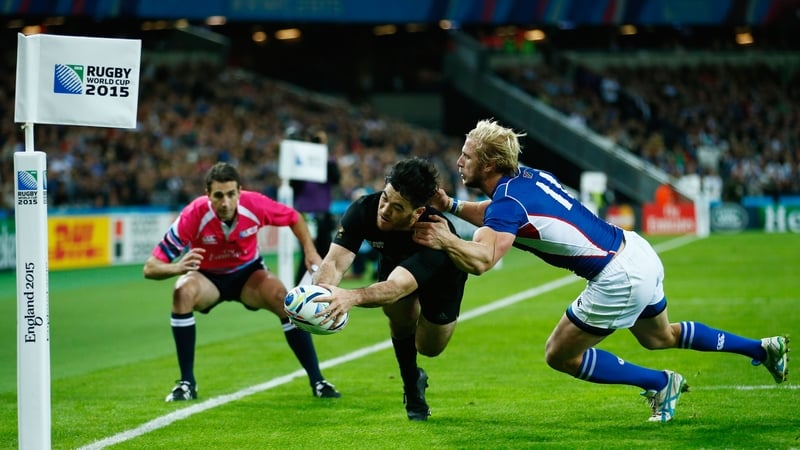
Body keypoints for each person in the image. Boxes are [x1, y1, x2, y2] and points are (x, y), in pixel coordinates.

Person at [412, 119, 789, 423]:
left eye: (467, 155)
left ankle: (660, 383)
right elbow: (496, 212)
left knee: (559, 354)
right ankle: (762, 348)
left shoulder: (507, 205)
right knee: (660, 337)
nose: (459, 162)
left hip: (616, 276)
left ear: (489, 164)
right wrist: (451, 205)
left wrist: (445, 240)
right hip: (635, 250)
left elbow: (483, 261)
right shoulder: (527, 179)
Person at [143, 161, 340, 402]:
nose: (225, 202)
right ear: (207, 195)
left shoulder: (254, 204)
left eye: (230, 194)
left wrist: (310, 252)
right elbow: (150, 267)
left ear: (239, 191)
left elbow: (294, 217)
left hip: (248, 274)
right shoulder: (193, 214)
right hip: (208, 278)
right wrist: (177, 268)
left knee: (283, 299)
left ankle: (318, 381)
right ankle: (186, 383)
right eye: (218, 196)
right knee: (181, 292)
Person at [311, 157, 468, 421]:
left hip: (442, 278)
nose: (385, 210)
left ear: (417, 212)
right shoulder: (364, 209)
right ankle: (412, 387)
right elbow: (335, 262)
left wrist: (349, 298)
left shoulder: (435, 232)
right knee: (400, 319)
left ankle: (418, 370)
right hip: (395, 266)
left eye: (397, 207)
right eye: (385, 198)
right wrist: (318, 296)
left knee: (428, 347)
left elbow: (396, 287)